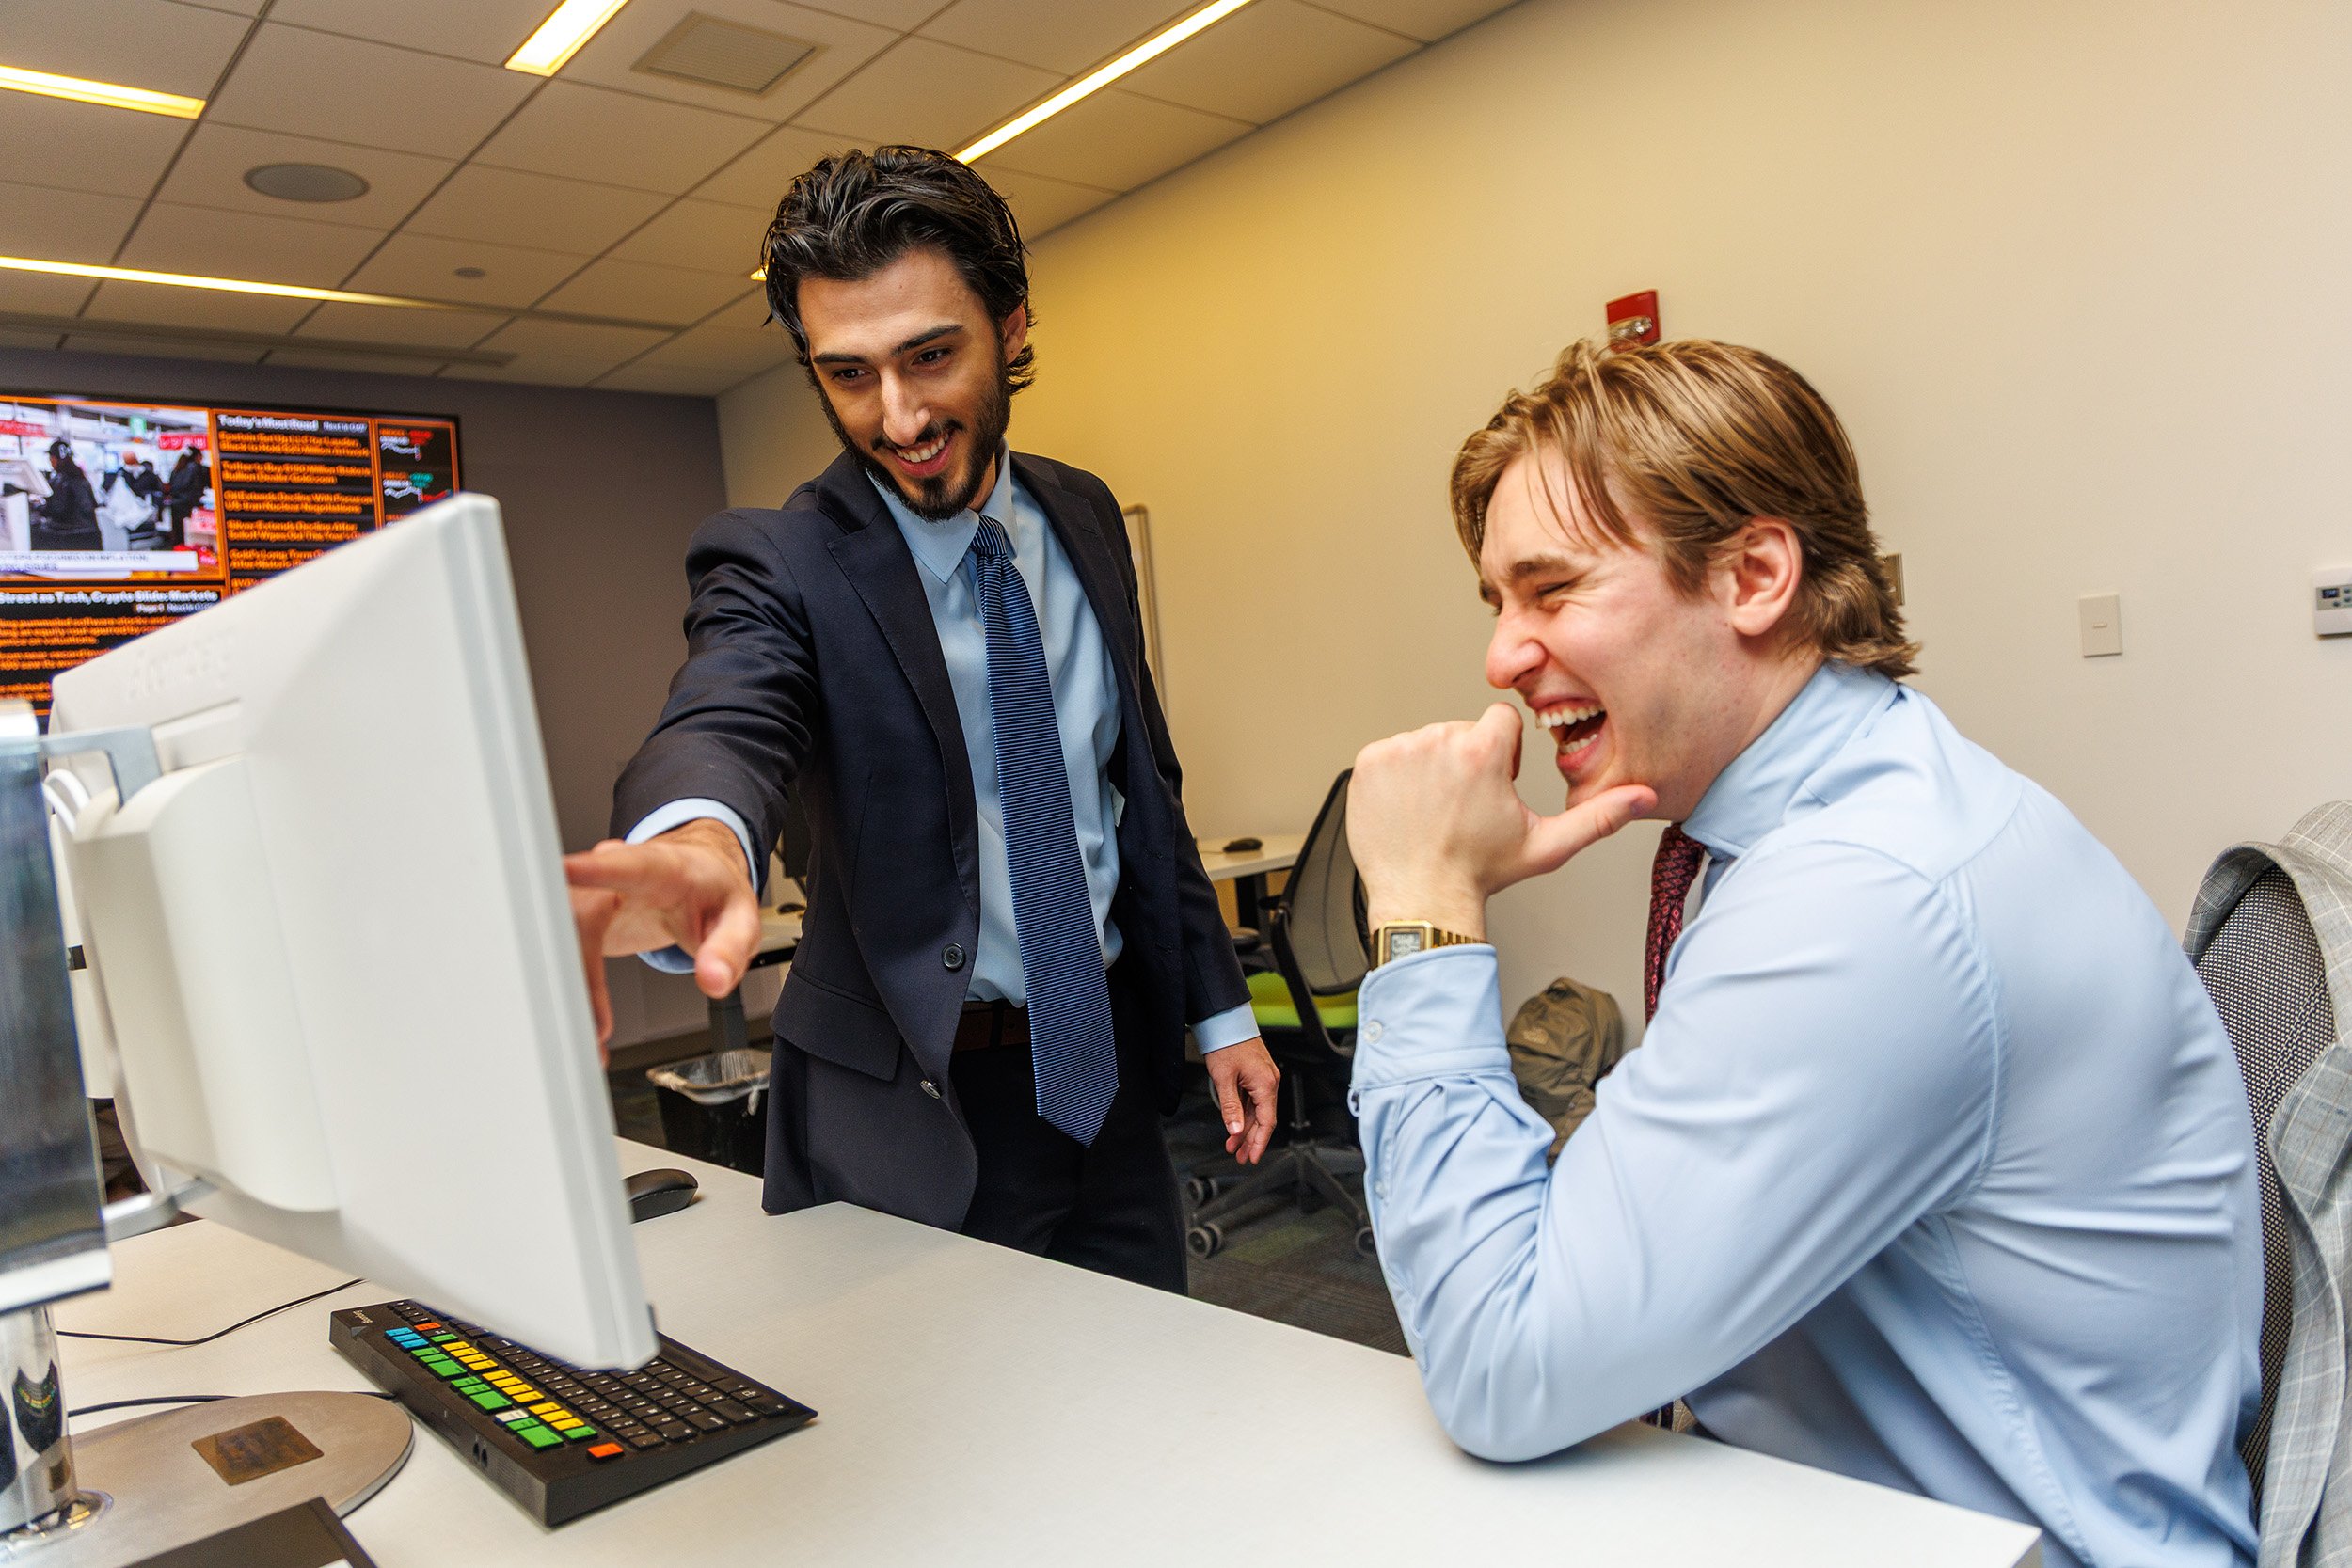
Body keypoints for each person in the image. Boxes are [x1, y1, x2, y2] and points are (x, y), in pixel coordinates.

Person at [1343, 338, 2260, 1568]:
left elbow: (1501, 1365)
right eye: (1496, 603)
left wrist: (1421, 906)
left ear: (1754, 574)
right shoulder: (1835, 810)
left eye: (1551, 590)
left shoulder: (1864, 899)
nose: (1503, 655)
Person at [570, 146, 1280, 1291]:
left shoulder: (1084, 515)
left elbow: (1139, 789)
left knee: (1152, 1415)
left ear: (1010, 325)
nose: (897, 418)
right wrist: (693, 839)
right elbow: (727, 709)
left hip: (1101, 1076)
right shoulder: (782, 561)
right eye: (847, 375)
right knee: (945, 1451)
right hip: (909, 1108)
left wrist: (1219, 1013)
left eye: (930, 356)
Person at [30, 439, 100, 551]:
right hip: (91, 535)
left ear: (54, 459)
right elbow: (93, 504)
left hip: (69, 537)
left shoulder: (60, 480)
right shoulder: (82, 478)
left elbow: (57, 511)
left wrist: (37, 507)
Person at [163, 448, 207, 550]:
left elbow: (171, 487)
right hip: (191, 507)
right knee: (192, 536)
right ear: (197, 457)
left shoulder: (176, 469)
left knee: (179, 535)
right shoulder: (197, 468)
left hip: (176, 506)